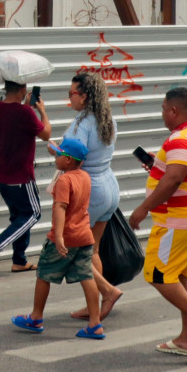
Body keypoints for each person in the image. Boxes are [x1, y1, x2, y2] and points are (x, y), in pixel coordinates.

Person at [129, 86, 187, 357]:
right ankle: (186, 337)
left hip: (176, 221)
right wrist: (158, 164)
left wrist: (143, 209)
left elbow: (174, 179)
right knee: (182, 276)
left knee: (157, 274)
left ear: (173, 110)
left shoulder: (180, 139)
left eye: (162, 109)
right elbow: (179, 172)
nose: (162, 115)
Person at [10, 139, 104, 338]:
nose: (56, 157)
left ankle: (36, 317)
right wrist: (54, 147)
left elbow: (60, 208)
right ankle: (95, 323)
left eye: (59, 155)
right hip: (84, 236)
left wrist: (59, 237)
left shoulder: (64, 180)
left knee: (44, 274)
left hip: (65, 237)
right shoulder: (85, 176)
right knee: (87, 276)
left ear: (69, 160)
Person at [60, 70, 123, 322]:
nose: (70, 99)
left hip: (89, 190)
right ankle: (94, 305)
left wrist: (54, 150)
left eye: (71, 94)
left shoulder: (80, 124)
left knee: (74, 249)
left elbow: (73, 160)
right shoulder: (107, 119)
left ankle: (107, 292)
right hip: (108, 186)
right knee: (93, 249)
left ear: (84, 97)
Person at [0, 80, 50, 273]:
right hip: (21, 176)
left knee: (19, 217)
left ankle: (19, 260)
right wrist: (42, 111)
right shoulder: (26, 113)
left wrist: (27, 107)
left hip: (3, 175)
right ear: (22, 89)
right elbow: (46, 134)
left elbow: (15, 125)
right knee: (33, 214)